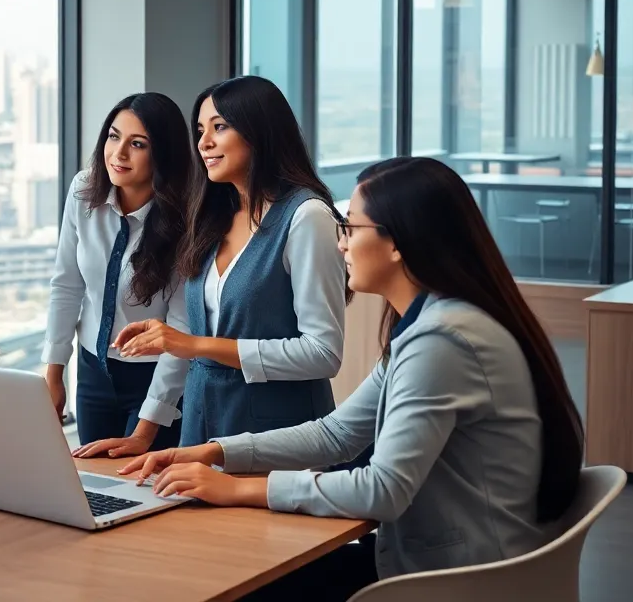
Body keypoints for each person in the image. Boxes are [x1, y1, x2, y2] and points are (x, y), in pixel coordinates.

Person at [119, 156, 585, 601]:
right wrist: (219, 451)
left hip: (456, 579)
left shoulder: (444, 342)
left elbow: (383, 490)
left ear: (397, 241)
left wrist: (239, 487)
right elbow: (340, 433)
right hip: (443, 557)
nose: (340, 242)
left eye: (351, 227)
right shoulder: (433, 323)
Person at [79, 76, 347, 457]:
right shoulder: (212, 215)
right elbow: (189, 330)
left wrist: (196, 345)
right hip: (201, 430)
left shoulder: (307, 218)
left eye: (219, 127)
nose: (203, 142)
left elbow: (323, 352)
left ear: (260, 132)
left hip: (278, 437)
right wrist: (145, 432)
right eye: (201, 130)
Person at [42, 93, 194, 453]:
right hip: (94, 371)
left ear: (162, 154)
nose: (119, 153)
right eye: (113, 136)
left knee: (142, 489)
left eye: (137, 144)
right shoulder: (83, 191)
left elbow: (182, 329)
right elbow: (66, 285)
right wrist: (54, 373)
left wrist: (144, 431)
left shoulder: (187, 220)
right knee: (95, 488)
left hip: (157, 376)